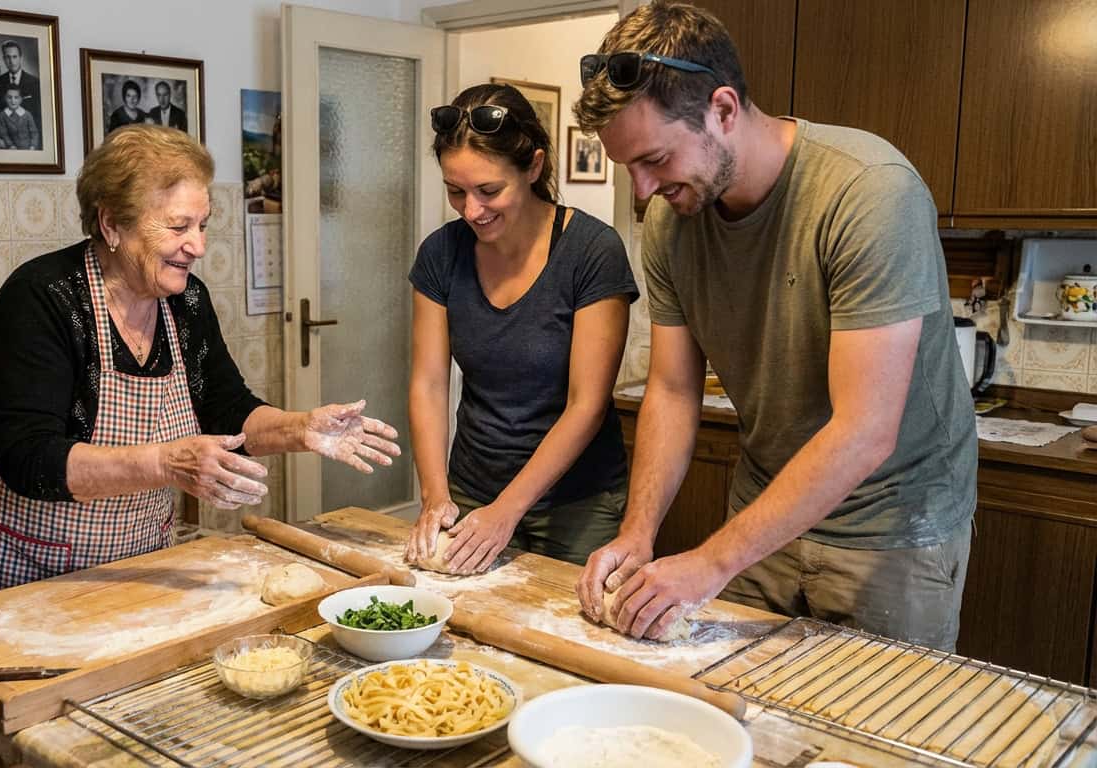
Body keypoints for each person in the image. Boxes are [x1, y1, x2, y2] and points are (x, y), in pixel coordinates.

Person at [572, 1, 976, 651]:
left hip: (891, 529)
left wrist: (710, 562)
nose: (643, 192)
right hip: (763, 516)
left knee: (871, 741)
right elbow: (673, 391)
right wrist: (638, 532)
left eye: (655, 159)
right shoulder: (673, 227)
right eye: (629, 170)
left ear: (723, 110)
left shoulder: (868, 191)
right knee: (745, 718)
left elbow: (865, 429)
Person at [0, 125, 401, 601]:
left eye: (202, 225)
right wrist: (169, 462)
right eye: (179, 227)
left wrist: (301, 428)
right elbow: (29, 459)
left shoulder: (186, 303)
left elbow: (227, 411)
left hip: (138, 556)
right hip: (24, 562)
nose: (198, 246)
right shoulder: (43, 298)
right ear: (112, 225)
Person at [402, 83, 636, 575]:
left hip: (578, 504)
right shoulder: (441, 255)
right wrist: (435, 496)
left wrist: (508, 512)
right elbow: (427, 384)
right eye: (455, 191)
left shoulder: (591, 252)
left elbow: (587, 404)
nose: (471, 210)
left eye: (489, 191)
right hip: (472, 487)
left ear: (533, 166)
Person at [0, 40, 42, 144]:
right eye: (8, 57)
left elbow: (39, 116)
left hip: (28, 140)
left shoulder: (35, 82)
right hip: (5, 140)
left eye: (14, 57)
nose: (11, 61)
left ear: (21, 58)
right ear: (4, 59)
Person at [0, 85, 39, 150]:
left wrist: (33, 146)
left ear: (21, 99)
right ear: (5, 98)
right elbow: (3, 133)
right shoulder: (2, 115)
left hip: (28, 147)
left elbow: (34, 132)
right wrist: (10, 145)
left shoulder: (27, 114)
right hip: (12, 148)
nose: (13, 101)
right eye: (9, 97)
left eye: (16, 97)